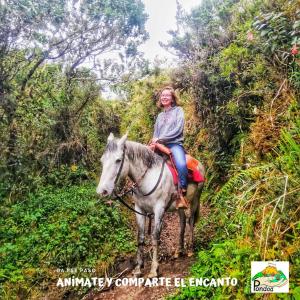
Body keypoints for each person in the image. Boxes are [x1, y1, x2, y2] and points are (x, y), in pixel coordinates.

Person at [151, 86, 188, 209]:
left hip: (174, 144)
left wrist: (161, 139)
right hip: (159, 145)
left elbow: (178, 130)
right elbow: (156, 133)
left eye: (167, 95)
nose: (164, 97)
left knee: (182, 164)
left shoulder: (179, 111)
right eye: (162, 95)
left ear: (172, 98)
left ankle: (182, 192)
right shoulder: (160, 116)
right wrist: (154, 142)